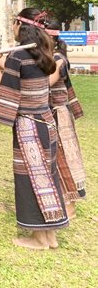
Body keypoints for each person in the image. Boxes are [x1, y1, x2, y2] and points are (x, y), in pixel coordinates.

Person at [0, 8, 69, 250]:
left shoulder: (19, 56)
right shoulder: (44, 52)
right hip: (46, 123)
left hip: (29, 127)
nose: (13, 28)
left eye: (14, 23)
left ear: (21, 26)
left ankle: (38, 239)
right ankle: (50, 237)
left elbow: (4, 85)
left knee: (30, 180)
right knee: (47, 177)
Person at [46, 21, 86, 219]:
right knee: (52, 160)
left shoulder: (59, 59)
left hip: (59, 116)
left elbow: (47, 82)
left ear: (51, 38)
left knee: (64, 160)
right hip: (49, 115)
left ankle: (69, 206)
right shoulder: (46, 58)